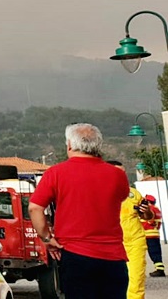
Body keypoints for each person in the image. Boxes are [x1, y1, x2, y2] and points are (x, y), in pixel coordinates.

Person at [29, 123, 130, 299]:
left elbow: (35, 207)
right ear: (98, 145)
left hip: (75, 255)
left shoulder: (56, 173)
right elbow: (120, 198)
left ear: (69, 145)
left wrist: (46, 238)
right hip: (113, 257)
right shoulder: (117, 175)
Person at [108, 160, 153, 299]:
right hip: (110, 244)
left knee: (136, 281)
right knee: (112, 282)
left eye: (124, 173)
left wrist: (145, 211)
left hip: (135, 243)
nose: (123, 176)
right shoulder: (97, 193)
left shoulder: (133, 193)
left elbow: (148, 216)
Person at [143, 194, 165, 277]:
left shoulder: (150, 209)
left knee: (153, 253)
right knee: (156, 252)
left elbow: (149, 218)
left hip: (148, 234)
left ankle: (159, 270)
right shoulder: (157, 209)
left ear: (148, 201)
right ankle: (160, 269)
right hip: (155, 233)